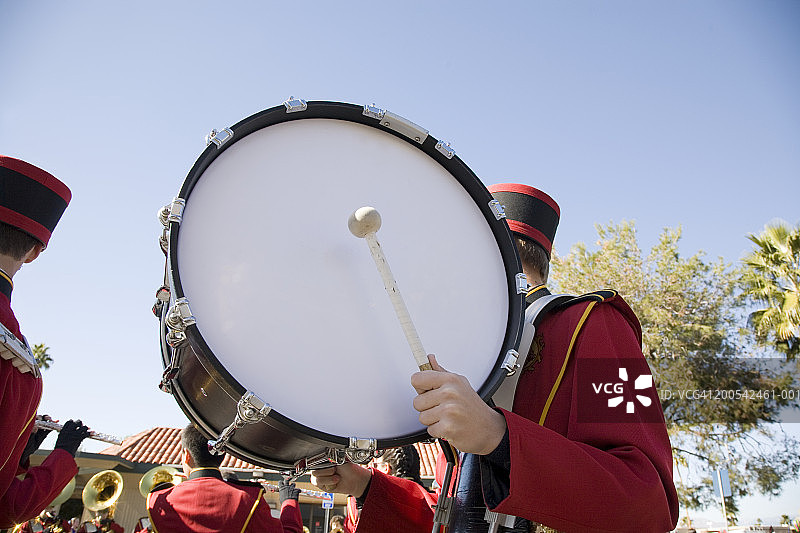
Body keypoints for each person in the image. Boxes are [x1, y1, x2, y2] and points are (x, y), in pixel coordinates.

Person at [310, 183, 679, 532]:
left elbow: (649, 502)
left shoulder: (598, 324)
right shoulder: (474, 355)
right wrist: (366, 485)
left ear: (491, 247)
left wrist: (498, 436)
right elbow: (455, 510)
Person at [0, 155, 91, 529]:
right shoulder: (17, 362)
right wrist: (62, 457)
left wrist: (20, 450)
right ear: (36, 251)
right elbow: (8, 509)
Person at [146, 424, 302, 533]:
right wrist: (289, 502)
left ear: (186, 456)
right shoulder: (248, 498)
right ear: (223, 455)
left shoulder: (157, 499)